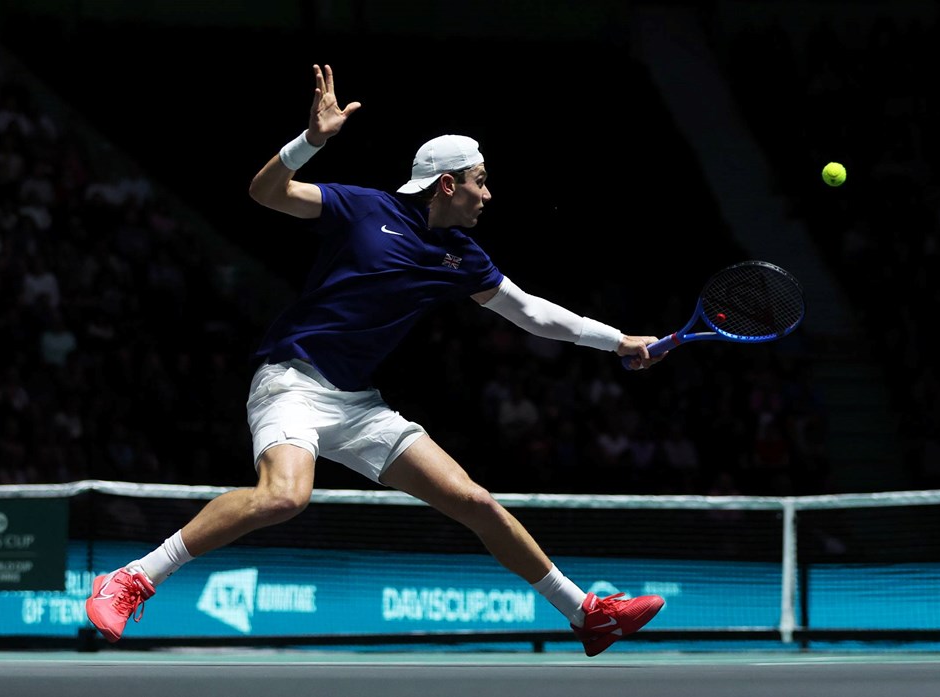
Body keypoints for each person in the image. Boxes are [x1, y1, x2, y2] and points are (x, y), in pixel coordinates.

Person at [85, 63, 666, 657]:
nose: (488, 194)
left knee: (476, 502)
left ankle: (587, 614)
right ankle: (132, 578)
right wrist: (311, 141)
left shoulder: (461, 256)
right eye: (480, 181)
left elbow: (531, 313)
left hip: (358, 405)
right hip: (291, 380)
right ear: (447, 183)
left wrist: (617, 340)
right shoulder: (361, 208)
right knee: (285, 496)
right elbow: (265, 193)